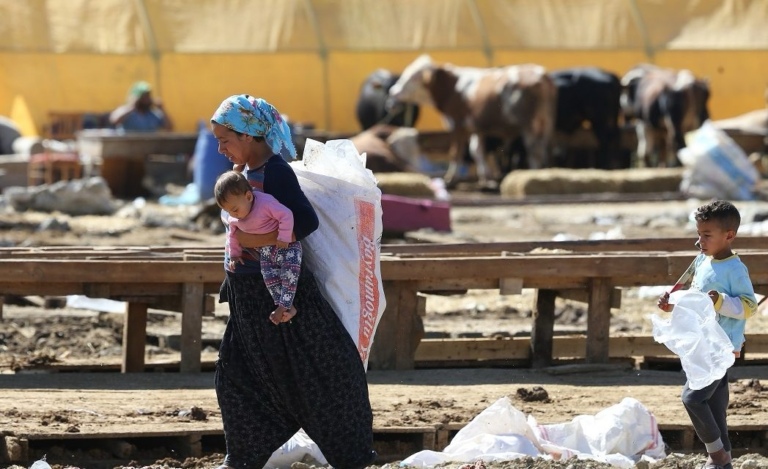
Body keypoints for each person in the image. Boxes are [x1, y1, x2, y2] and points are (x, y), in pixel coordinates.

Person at [210, 94, 376, 469]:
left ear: (251, 134)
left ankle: (351, 456)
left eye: (225, 139)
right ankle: (242, 458)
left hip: (279, 293)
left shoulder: (275, 172)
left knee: (322, 374)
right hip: (247, 298)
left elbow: (304, 222)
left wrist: (259, 241)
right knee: (237, 378)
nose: (219, 148)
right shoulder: (243, 176)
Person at [657, 200, 757, 469]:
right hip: (701, 343)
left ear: (729, 235)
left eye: (706, 235)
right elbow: (695, 299)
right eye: (699, 234)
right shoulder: (702, 260)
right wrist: (672, 304)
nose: (700, 240)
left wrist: (721, 301)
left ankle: (717, 456)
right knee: (715, 409)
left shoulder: (735, 269)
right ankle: (724, 462)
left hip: (721, 347)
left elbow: (750, 306)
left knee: (692, 398)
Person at [214, 169, 300, 324]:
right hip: (266, 251)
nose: (232, 215)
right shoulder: (234, 217)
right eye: (227, 211)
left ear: (248, 196)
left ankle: (283, 307)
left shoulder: (265, 203)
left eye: (234, 210)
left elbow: (286, 215)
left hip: (287, 247)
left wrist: (284, 237)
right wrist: (234, 254)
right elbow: (231, 234)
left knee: (290, 274)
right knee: (269, 277)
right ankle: (286, 306)